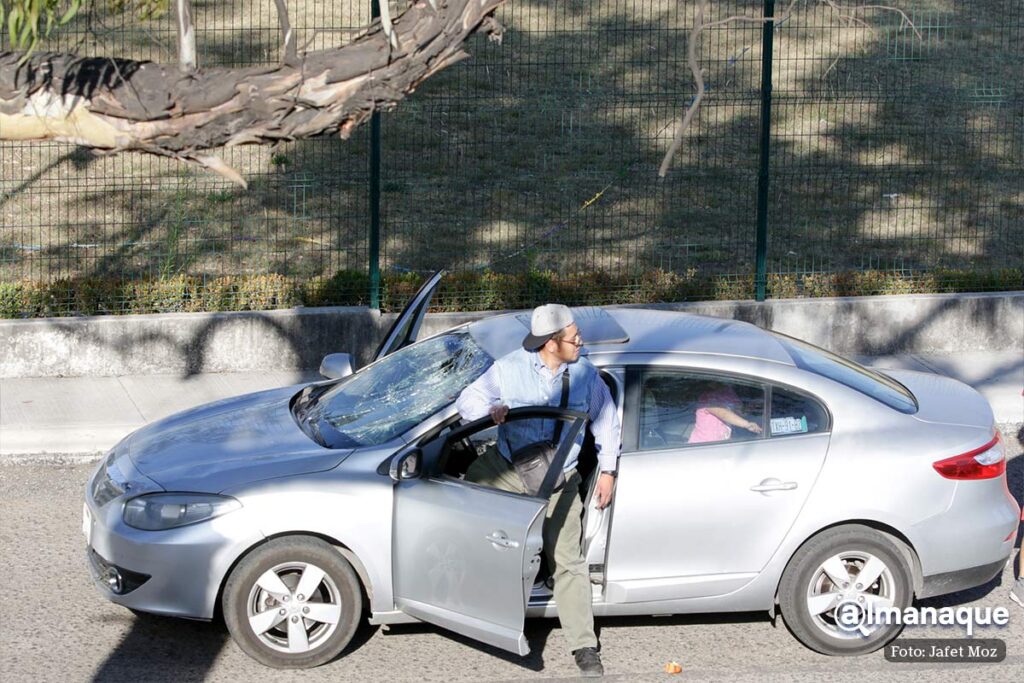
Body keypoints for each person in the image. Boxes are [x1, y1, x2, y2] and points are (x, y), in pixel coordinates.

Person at [455, 303, 620, 678]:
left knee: (569, 563)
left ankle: (584, 646)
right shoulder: (509, 368)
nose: (581, 341)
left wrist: (607, 470)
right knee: (457, 507)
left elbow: (607, 420)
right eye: (573, 336)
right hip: (509, 470)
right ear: (550, 343)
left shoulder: (585, 373)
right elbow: (468, 401)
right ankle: (472, 610)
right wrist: (491, 409)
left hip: (560, 480)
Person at [687, 381, 762, 444]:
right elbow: (723, 414)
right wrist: (747, 424)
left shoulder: (729, 392)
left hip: (720, 444)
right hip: (702, 445)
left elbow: (739, 411)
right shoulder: (707, 398)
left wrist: (753, 406)